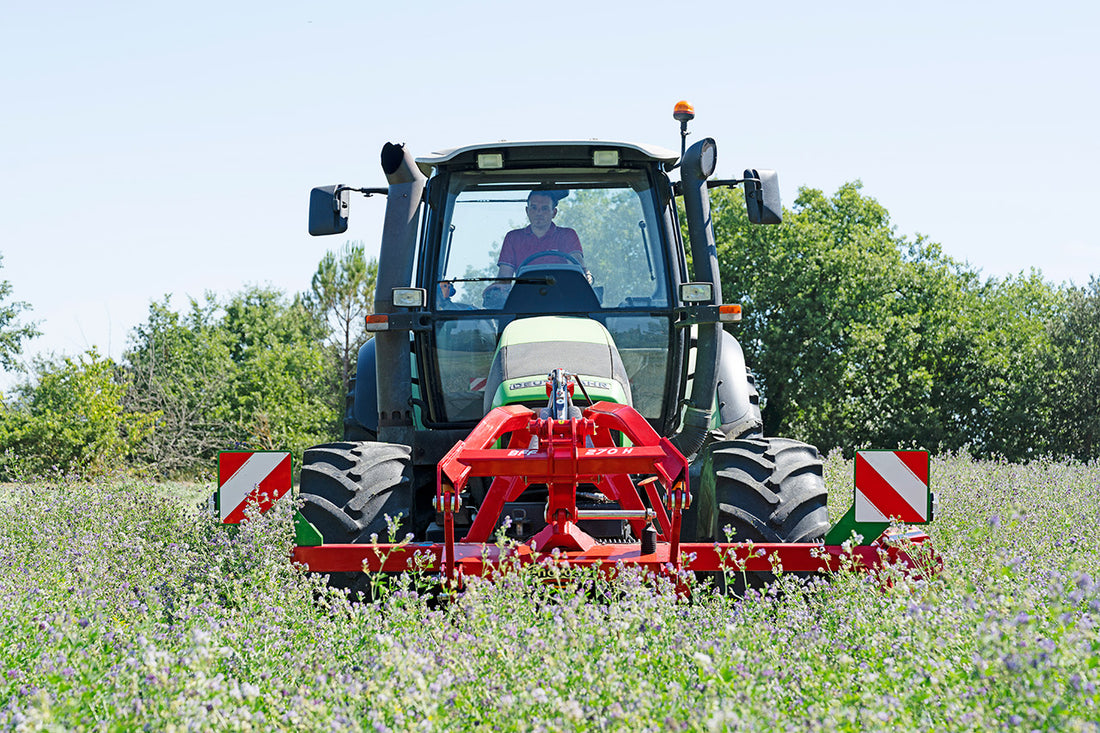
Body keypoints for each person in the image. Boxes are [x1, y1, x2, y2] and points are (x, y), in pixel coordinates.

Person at [483, 190, 589, 307]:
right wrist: (497, 290)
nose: (538, 213)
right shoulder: (513, 238)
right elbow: (504, 278)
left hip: (564, 301)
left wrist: (585, 275)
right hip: (524, 303)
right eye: (534, 208)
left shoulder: (566, 235)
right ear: (527, 211)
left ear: (554, 212)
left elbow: (577, 266)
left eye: (544, 208)